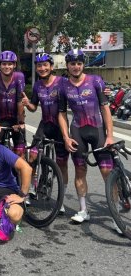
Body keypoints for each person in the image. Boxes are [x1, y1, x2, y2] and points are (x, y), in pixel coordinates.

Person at [58, 49, 118, 231]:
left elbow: (105, 108)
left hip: (98, 130)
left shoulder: (95, 81)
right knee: (79, 171)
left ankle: (115, 215)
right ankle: (83, 210)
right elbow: (61, 113)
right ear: (67, 65)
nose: (75, 67)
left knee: (108, 173)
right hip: (77, 132)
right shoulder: (64, 86)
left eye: (79, 63)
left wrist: (109, 135)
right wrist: (66, 137)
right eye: (72, 63)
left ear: (83, 64)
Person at [21, 53, 69, 212]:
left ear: (51, 66)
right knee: (33, 156)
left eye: (45, 65)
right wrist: (28, 103)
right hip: (45, 124)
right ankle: (30, 189)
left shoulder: (62, 82)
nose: (42, 68)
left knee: (62, 164)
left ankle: (60, 199)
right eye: (39, 66)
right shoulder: (37, 85)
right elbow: (34, 107)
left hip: (60, 126)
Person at [0, 50, 26, 157]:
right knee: (0, 151)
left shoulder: (19, 77)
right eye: (4, 64)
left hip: (15, 117)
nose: (7, 66)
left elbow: (20, 101)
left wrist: (20, 122)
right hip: (0, 118)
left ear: (14, 65)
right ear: (0, 65)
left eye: (10, 64)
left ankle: (20, 172)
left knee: (20, 152)